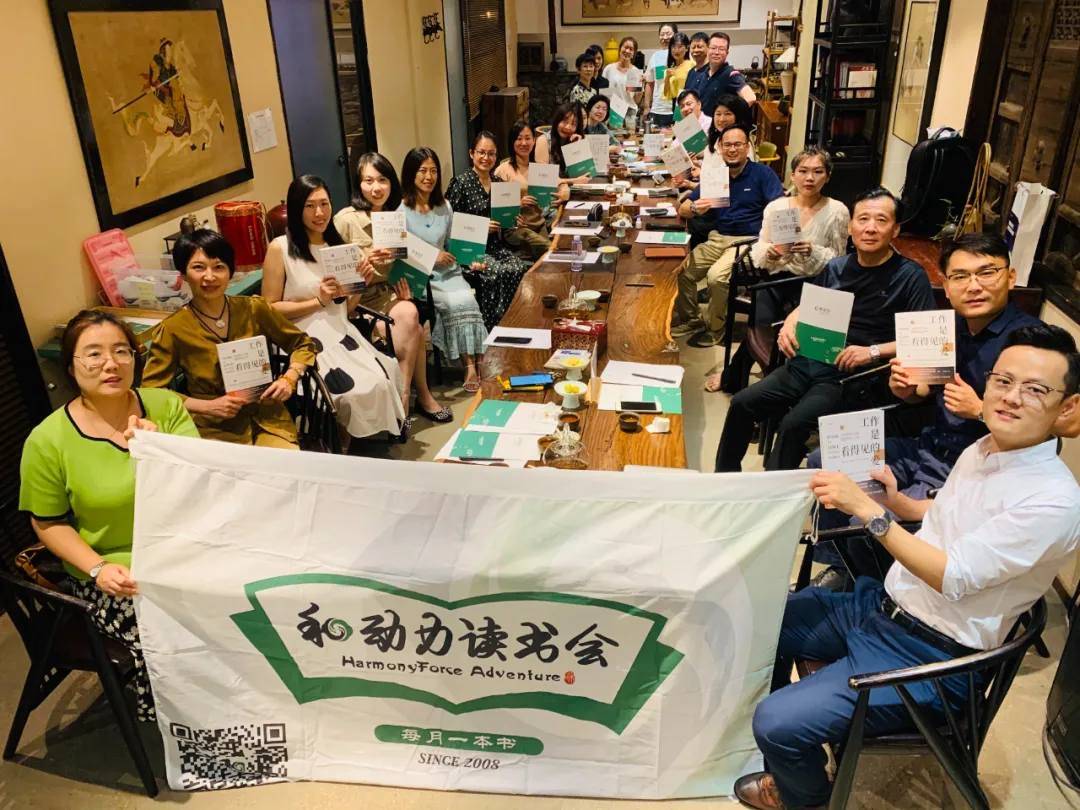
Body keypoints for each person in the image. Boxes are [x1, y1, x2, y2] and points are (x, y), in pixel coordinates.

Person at [735, 324, 1080, 810]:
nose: (1010, 397)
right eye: (1003, 380)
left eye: (1035, 389)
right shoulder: (985, 448)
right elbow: (945, 511)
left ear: (1067, 408)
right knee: (763, 619)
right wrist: (899, 503)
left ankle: (805, 797)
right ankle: (789, 754)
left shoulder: (1054, 502)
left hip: (933, 657)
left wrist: (868, 510)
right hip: (885, 607)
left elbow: (953, 576)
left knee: (776, 721)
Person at [810, 232, 1043, 588]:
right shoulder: (945, 328)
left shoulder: (1032, 344)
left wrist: (980, 411)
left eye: (987, 272)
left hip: (974, 470)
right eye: (960, 276)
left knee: (866, 519)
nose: (974, 286)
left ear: (1010, 277)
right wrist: (905, 389)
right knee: (826, 461)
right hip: (927, 446)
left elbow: (1047, 429)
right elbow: (920, 395)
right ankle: (845, 568)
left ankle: (878, 592)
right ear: (946, 286)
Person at [19, 310, 200, 722]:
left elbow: (201, 484)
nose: (110, 363)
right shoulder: (48, 441)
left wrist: (164, 453)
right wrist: (98, 569)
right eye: (94, 354)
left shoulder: (166, 407)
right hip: (119, 572)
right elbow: (47, 522)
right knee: (178, 634)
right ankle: (187, 724)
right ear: (71, 367)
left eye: (121, 351)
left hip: (185, 548)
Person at [715, 187, 935, 472]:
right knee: (742, 403)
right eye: (863, 219)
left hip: (855, 376)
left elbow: (925, 339)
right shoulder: (837, 267)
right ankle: (724, 477)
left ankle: (775, 489)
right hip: (811, 359)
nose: (870, 228)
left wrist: (872, 352)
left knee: (793, 425)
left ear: (895, 230)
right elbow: (809, 304)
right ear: (850, 227)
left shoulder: (910, 276)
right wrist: (790, 323)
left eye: (881, 220)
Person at [263, 174, 407, 441]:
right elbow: (268, 308)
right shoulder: (280, 248)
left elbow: (347, 309)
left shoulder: (340, 248)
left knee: (381, 379)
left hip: (340, 331)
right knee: (347, 392)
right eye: (310, 206)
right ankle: (341, 440)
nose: (319, 213)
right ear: (296, 209)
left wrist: (359, 285)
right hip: (301, 338)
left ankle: (351, 437)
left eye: (324, 204)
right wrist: (317, 301)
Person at [143, 230, 318, 447]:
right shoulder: (173, 328)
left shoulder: (253, 309)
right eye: (198, 267)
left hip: (267, 417)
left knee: (283, 465)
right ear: (184, 275)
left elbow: (302, 344)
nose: (210, 277)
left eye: (219, 267)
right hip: (214, 427)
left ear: (230, 271)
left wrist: (289, 378)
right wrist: (206, 406)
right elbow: (151, 392)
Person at [704, 147, 849, 392]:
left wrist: (812, 251)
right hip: (776, 278)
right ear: (793, 175)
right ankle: (769, 381)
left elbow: (839, 260)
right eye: (803, 171)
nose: (809, 178)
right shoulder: (777, 207)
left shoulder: (837, 211)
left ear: (828, 176)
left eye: (817, 172)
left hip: (815, 283)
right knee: (761, 327)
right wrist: (768, 252)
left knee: (779, 330)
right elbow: (761, 244)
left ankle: (745, 377)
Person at [334, 151, 449, 422]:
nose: (376, 188)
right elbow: (334, 273)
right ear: (358, 184)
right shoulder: (346, 220)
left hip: (388, 295)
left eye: (382, 180)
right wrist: (364, 263)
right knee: (415, 328)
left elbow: (405, 263)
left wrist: (405, 285)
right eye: (368, 181)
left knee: (410, 312)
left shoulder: (394, 217)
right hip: (355, 301)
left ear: (391, 183)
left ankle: (404, 396)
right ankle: (418, 397)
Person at [673, 124, 784, 348]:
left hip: (749, 240)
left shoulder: (762, 174)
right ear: (720, 148)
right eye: (727, 145)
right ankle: (692, 319)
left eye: (737, 144)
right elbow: (683, 208)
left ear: (747, 147)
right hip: (718, 237)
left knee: (716, 277)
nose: (732, 149)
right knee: (682, 272)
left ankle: (717, 329)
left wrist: (775, 242)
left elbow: (780, 208)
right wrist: (694, 208)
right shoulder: (716, 176)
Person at [398, 147, 487, 392]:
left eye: (433, 171)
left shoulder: (444, 206)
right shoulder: (401, 212)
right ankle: (468, 365)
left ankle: (476, 361)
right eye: (422, 171)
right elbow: (402, 255)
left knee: (467, 299)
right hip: (424, 278)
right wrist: (431, 257)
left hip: (450, 272)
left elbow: (452, 245)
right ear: (411, 174)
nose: (429, 177)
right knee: (454, 302)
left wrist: (471, 259)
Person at [446, 131, 531, 330]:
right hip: (470, 250)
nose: (486, 158)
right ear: (471, 153)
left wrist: (514, 220)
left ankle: (512, 320)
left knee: (518, 267)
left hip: (495, 247)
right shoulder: (461, 183)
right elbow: (451, 225)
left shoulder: (500, 184)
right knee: (496, 271)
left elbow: (506, 221)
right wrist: (482, 227)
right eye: (481, 152)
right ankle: (491, 325)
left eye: (491, 154)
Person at [493, 121, 558, 261]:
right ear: (512, 142)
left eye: (528, 138)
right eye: (519, 138)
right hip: (516, 229)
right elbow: (498, 211)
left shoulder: (540, 169)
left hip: (539, 224)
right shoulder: (503, 170)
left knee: (557, 248)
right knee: (551, 250)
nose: (524, 143)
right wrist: (519, 203)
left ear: (534, 141)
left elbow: (550, 200)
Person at [686, 31, 756, 116]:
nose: (716, 52)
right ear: (708, 50)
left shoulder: (731, 74)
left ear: (727, 53)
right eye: (713, 48)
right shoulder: (703, 74)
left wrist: (729, 116)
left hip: (718, 123)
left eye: (721, 49)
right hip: (699, 122)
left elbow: (750, 98)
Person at [534, 102, 590, 184]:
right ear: (557, 121)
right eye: (565, 121)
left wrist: (578, 147)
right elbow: (543, 179)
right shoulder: (543, 141)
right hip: (551, 190)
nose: (568, 127)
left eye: (573, 124)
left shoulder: (576, 139)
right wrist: (573, 181)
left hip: (573, 189)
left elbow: (585, 174)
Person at [602, 37, 644, 131]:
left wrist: (641, 88)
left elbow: (636, 100)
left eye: (631, 49)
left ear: (634, 53)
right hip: (614, 112)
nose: (627, 51)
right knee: (615, 138)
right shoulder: (609, 69)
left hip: (630, 113)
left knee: (631, 138)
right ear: (620, 49)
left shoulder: (635, 72)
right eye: (625, 47)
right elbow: (604, 94)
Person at [642, 23, 679, 128]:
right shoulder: (655, 56)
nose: (665, 37)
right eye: (662, 34)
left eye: (668, 34)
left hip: (678, 109)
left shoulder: (681, 55)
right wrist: (646, 107)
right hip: (658, 110)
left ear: (676, 35)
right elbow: (649, 83)